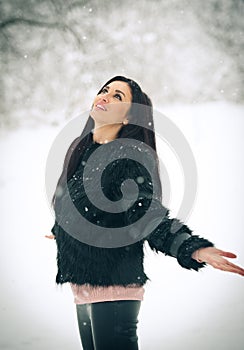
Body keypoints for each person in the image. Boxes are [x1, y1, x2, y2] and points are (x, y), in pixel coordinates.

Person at [45, 76, 244, 350]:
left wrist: (192, 248)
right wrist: (63, 229)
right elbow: (75, 201)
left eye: (117, 97)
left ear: (129, 117)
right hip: (84, 288)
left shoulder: (128, 157)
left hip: (113, 289)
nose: (104, 97)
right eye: (104, 90)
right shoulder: (82, 151)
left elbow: (147, 216)